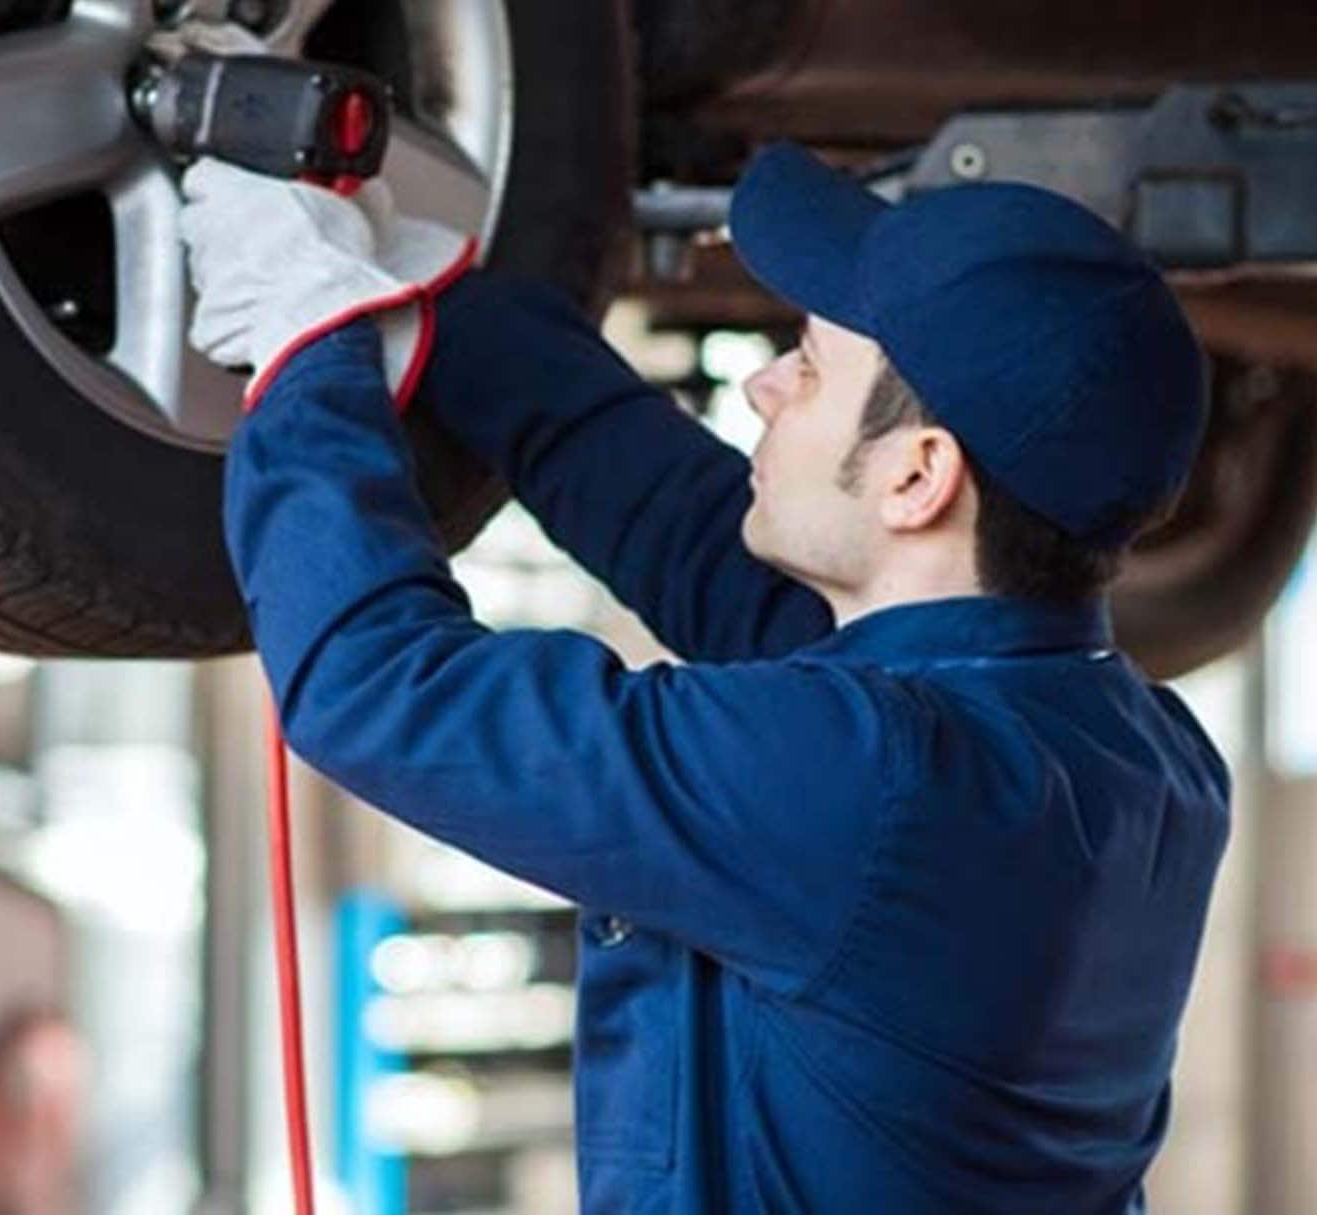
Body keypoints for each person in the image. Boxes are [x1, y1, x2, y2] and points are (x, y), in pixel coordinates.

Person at [177, 140, 1231, 1212]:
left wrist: (306, 345)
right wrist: (442, 294)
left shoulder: (874, 786)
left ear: (918, 477)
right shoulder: (1132, 753)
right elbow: (687, 534)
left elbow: (380, 688)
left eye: (811, 366)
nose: (767, 385)